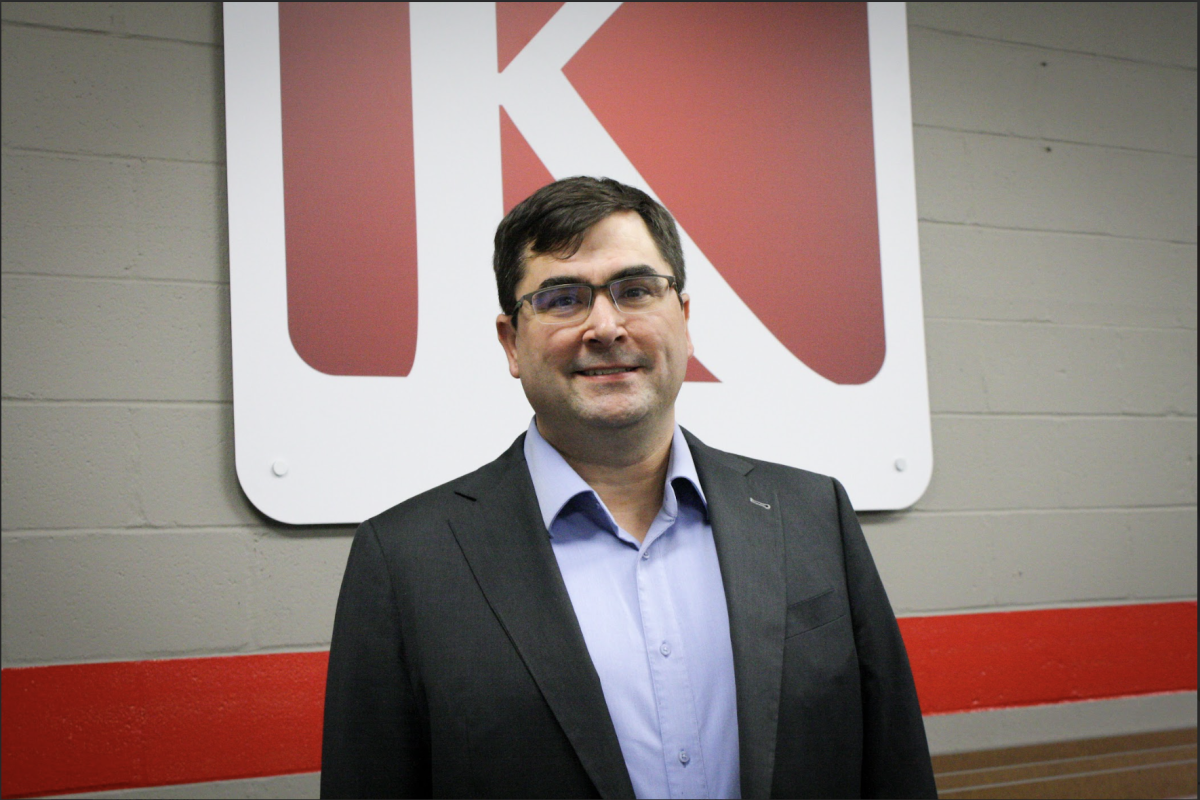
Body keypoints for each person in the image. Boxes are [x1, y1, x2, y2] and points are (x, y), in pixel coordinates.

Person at [320, 177, 937, 799]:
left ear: (685, 320)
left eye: (636, 290)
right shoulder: (405, 561)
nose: (606, 326)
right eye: (562, 299)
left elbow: (894, 768)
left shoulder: (811, 515)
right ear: (511, 342)